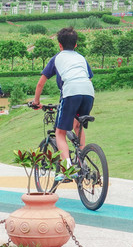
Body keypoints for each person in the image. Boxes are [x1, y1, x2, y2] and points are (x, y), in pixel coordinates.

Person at [31, 27, 94, 181]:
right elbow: (88, 77)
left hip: (71, 92)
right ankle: (82, 161)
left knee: (60, 132)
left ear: (59, 45)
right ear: (76, 45)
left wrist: (36, 102)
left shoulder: (57, 58)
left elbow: (40, 84)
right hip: (88, 92)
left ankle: (67, 168)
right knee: (77, 126)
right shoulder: (81, 58)